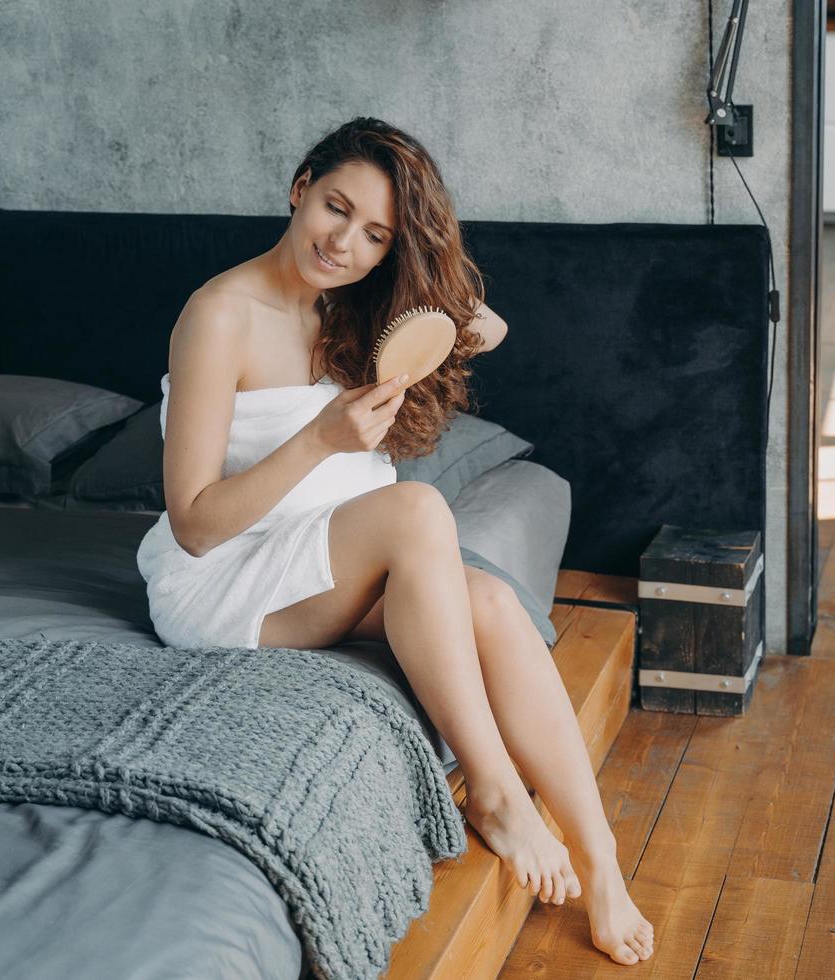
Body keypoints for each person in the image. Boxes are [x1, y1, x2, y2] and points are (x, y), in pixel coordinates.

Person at [135, 117, 655, 966]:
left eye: (373, 234)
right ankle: (491, 791)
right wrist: (319, 443)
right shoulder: (217, 316)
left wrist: (419, 265)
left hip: (331, 555)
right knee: (419, 516)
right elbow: (193, 523)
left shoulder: (358, 300)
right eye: (335, 209)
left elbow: (489, 330)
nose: (342, 243)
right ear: (299, 186)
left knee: (490, 602)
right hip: (232, 576)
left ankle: (601, 866)